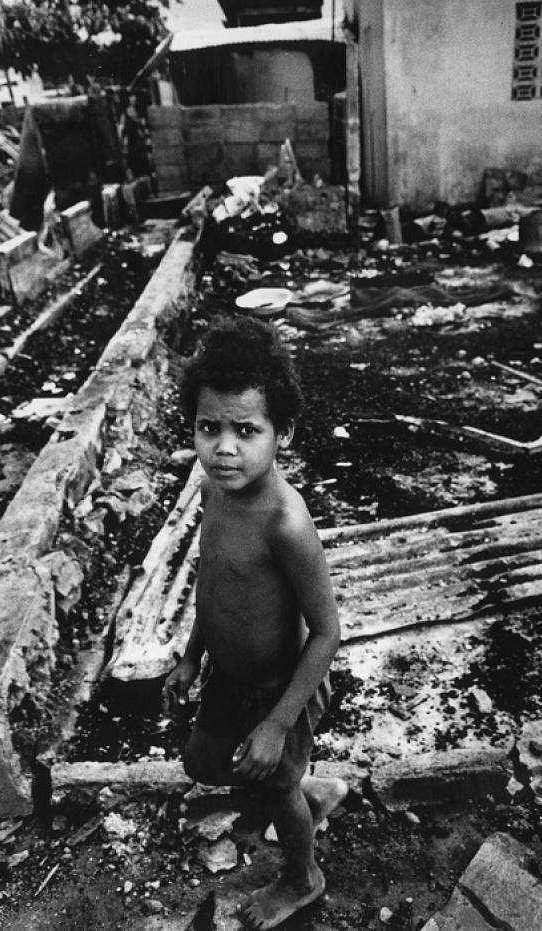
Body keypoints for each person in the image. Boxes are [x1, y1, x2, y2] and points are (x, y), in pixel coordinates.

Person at [163, 316, 346, 929]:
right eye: (208, 427)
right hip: (228, 674)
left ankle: (302, 877)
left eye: (246, 430)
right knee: (202, 763)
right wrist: (192, 654)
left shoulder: (285, 523)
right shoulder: (216, 489)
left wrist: (276, 724)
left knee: (272, 783)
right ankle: (313, 791)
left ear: (282, 433)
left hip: (278, 689)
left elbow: (327, 633)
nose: (223, 447)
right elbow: (210, 579)